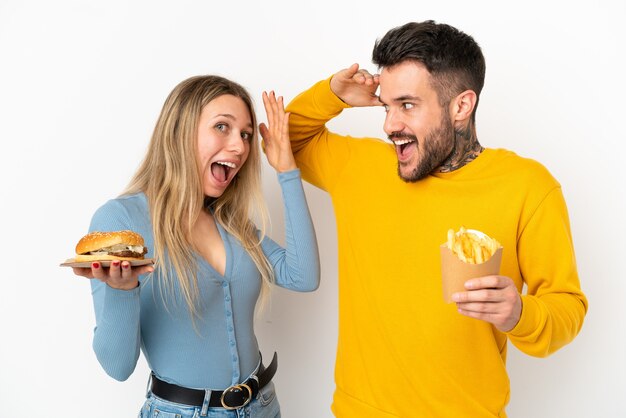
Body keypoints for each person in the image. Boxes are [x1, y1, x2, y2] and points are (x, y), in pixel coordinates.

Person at [285, 21, 587, 417]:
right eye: (387, 105)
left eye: (407, 105)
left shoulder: (528, 188)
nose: (390, 124)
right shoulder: (361, 167)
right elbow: (284, 138)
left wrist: (520, 314)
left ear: (461, 106)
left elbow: (567, 307)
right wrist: (332, 95)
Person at [72, 75, 320, 417]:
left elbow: (303, 275)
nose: (240, 147)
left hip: (262, 405)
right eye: (223, 127)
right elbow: (117, 366)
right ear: (180, 132)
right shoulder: (121, 220)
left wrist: (287, 171)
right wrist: (122, 290)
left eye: (246, 135)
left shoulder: (231, 222)